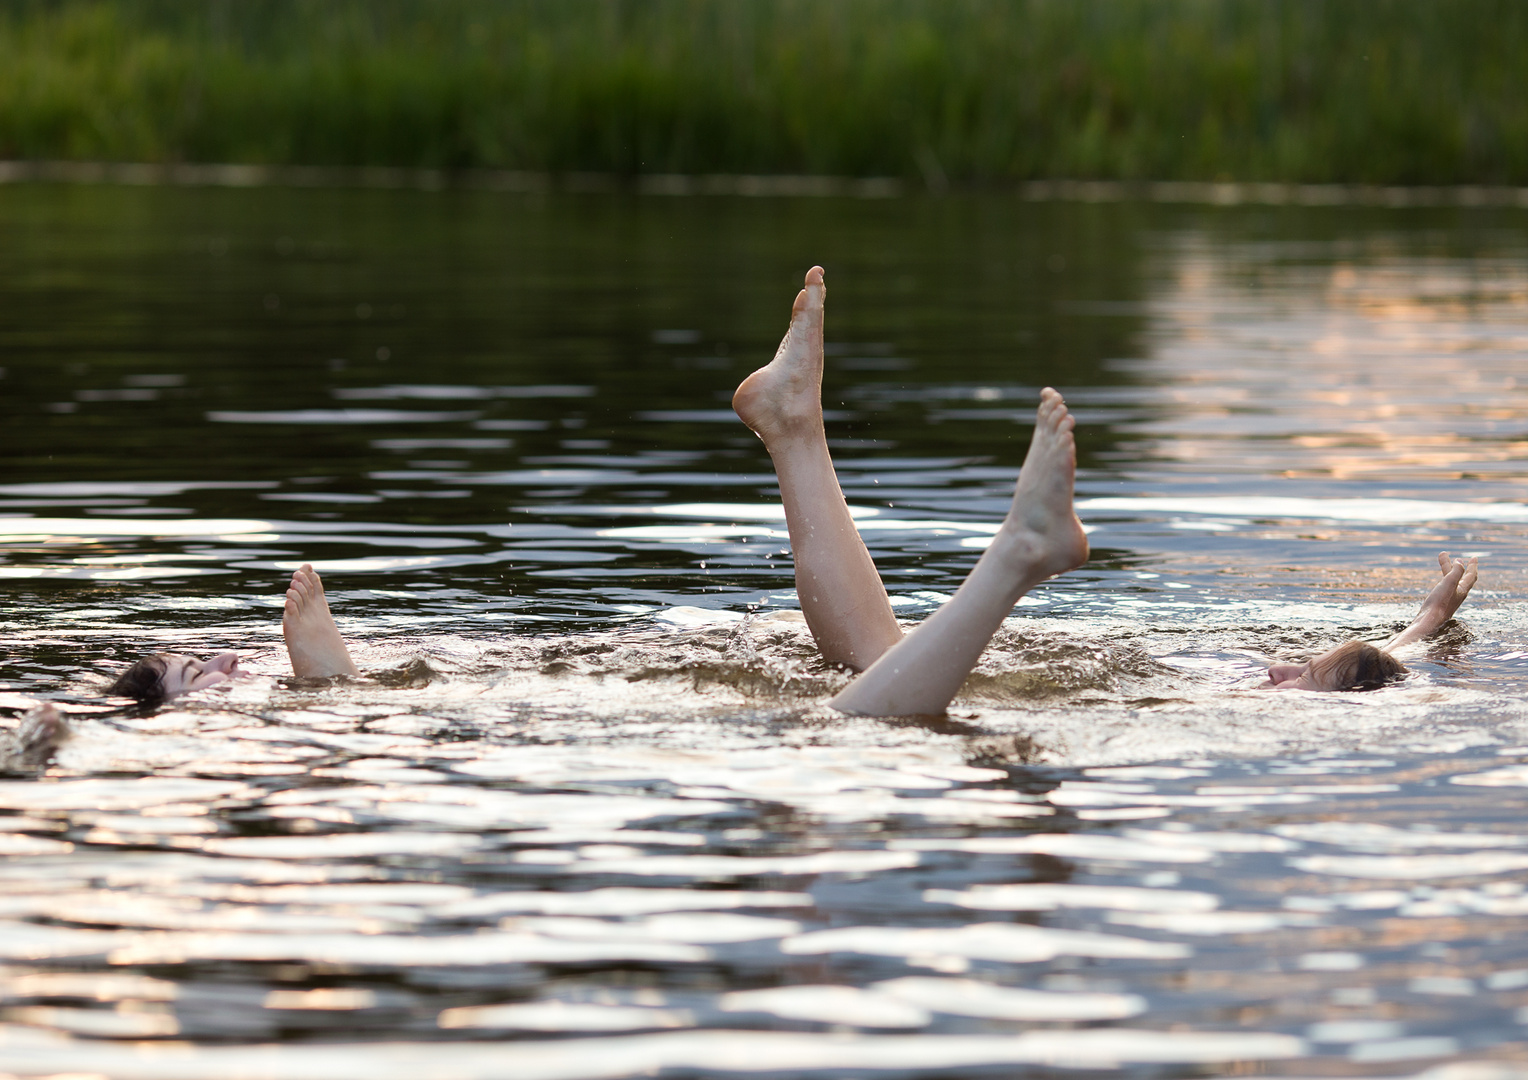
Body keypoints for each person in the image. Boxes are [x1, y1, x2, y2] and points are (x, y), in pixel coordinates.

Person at [102, 267, 1474, 714]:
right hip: (954, 667)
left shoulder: (1240, 705)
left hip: (927, 668)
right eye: (1317, 661)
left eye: (1315, 666)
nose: (1296, 664)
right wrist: (1409, 639)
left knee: (873, 695)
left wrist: (1403, 643)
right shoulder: (1236, 695)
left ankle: (825, 449)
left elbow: (1366, 671)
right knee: (880, 673)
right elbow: (1369, 670)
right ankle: (819, 446)